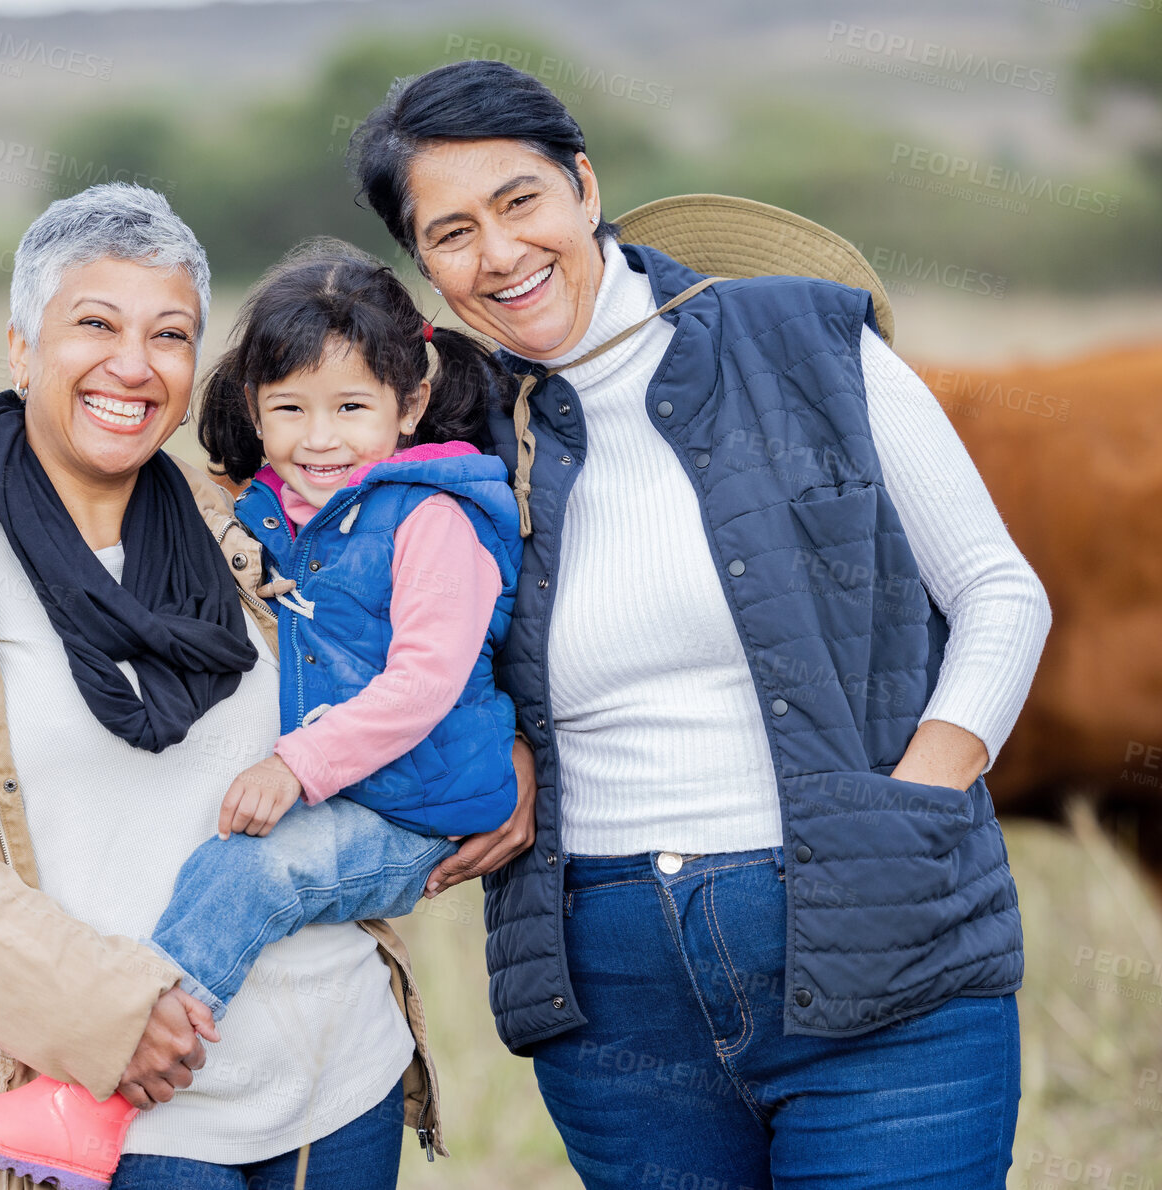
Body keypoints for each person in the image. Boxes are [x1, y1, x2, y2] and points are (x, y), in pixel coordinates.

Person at [346, 60, 1053, 1188]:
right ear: (423, 265)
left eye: (521, 200)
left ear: (584, 184)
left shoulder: (806, 342)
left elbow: (999, 593)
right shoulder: (453, 444)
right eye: (452, 231)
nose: (500, 254)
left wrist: (914, 800)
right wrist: (507, 749)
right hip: (611, 991)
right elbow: (411, 652)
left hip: (875, 932)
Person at [0, 185, 478, 1190]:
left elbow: (417, 653)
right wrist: (103, 1008)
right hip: (116, 1109)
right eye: (95, 323)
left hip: (338, 1080)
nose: (133, 363)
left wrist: (505, 757)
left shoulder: (250, 531)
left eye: (169, 333)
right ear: (20, 347)